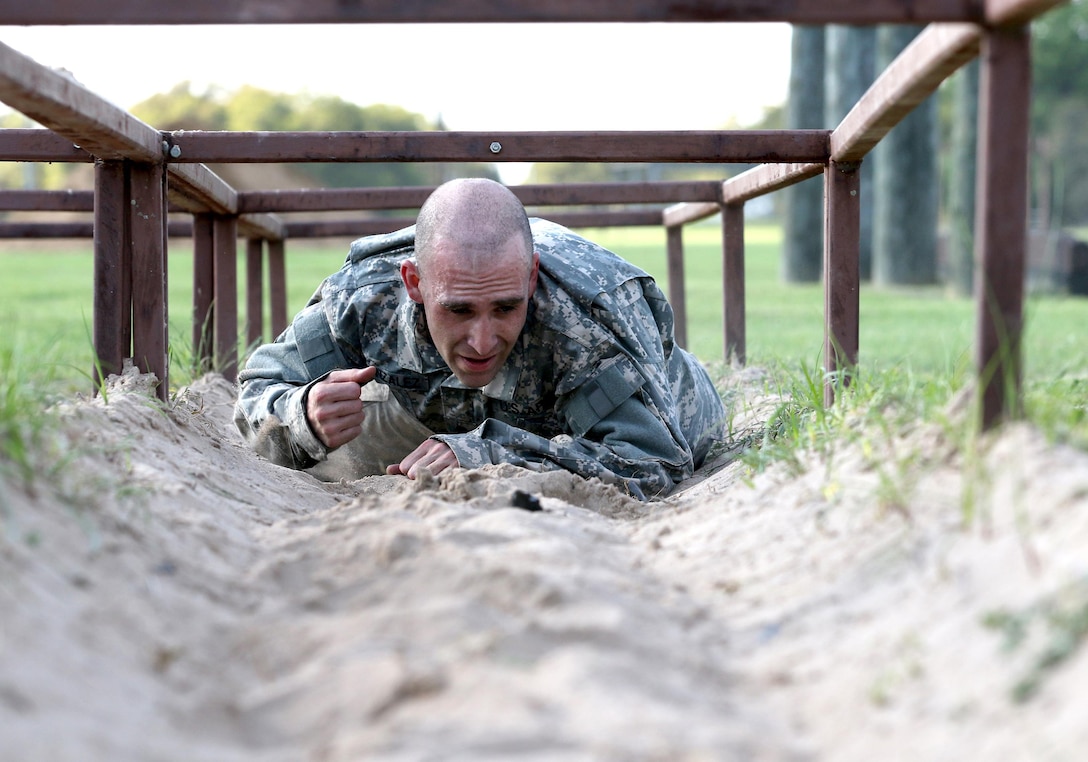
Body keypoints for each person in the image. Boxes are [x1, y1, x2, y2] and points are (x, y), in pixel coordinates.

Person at [234, 178, 725, 500]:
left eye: (506, 308)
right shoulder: (364, 300)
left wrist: (487, 452)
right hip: (439, 412)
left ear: (531, 279)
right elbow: (258, 385)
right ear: (414, 284)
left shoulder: (589, 324)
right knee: (307, 446)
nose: (483, 340)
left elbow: (656, 462)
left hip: (650, 410)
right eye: (459, 309)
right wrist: (304, 415)